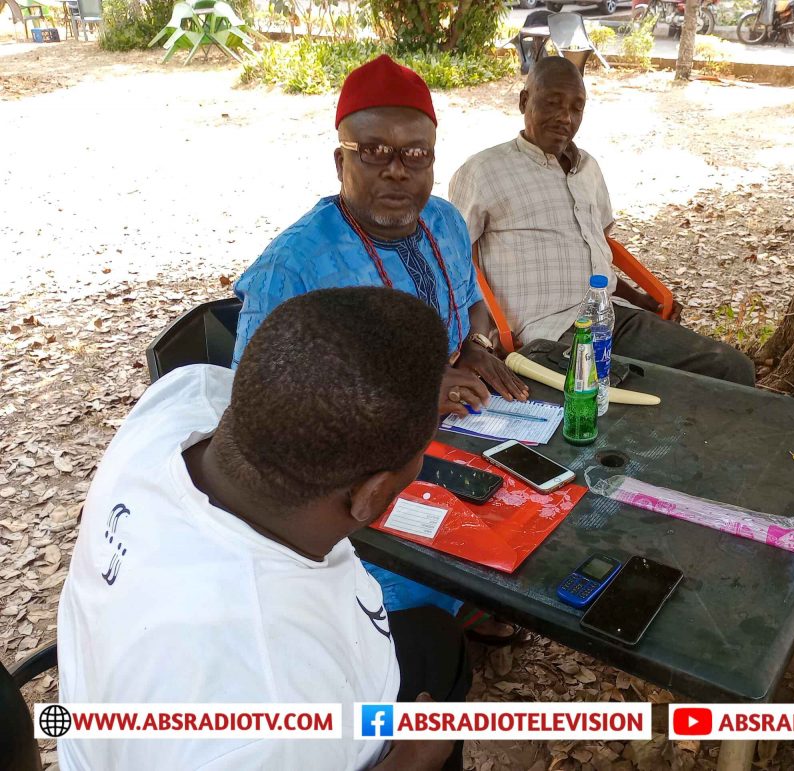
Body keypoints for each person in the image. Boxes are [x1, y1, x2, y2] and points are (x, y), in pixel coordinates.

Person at [58, 288, 471, 771]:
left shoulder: (184, 396)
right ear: (371, 496)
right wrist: (416, 759)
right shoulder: (269, 709)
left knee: (436, 641)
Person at [232, 54, 526, 628]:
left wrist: (472, 347)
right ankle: (422, 635)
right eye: (374, 151)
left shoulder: (443, 221)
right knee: (424, 577)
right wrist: (414, 393)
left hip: (454, 430)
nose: (397, 171)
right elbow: (255, 418)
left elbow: (465, 306)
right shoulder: (292, 268)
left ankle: (472, 611)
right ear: (341, 160)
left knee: (525, 500)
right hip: (346, 485)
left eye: (415, 154)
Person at [448, 56, 755, 386]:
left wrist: (639, 299)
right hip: (549, 333)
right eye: (552, 103)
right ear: (525, 101)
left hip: (613, 315)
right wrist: (478, 342)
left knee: (731, 368)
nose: (565, 118)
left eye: (576, 108)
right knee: (618, 398)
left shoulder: (588, 168)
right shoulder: (483, 171)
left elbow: (597, 251)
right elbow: (454, 265)